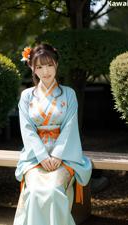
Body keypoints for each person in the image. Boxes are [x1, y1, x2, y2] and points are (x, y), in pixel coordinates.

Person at [13, 43, 92, 225]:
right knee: (33, 192)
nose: (45, 71)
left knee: (53, 191)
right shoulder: (26, 96)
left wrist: (57, 155)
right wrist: (42, 156)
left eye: (49, 65)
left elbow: (70, 127)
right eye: (39, 67)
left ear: (56, 64)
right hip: (35, 157)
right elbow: (27, 129)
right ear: (32, 68)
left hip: (64, 155)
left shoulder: (69, 94)